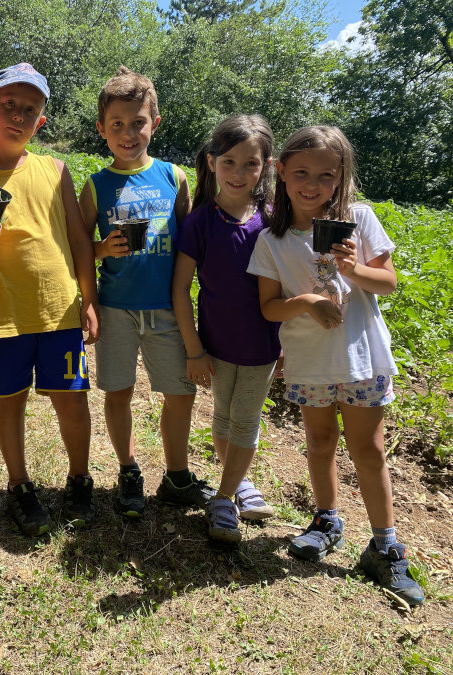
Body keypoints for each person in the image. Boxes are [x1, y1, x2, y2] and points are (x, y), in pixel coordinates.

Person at [247, 125, 424, 606]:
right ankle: (326, 520)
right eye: (302, 172)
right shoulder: (272, 240)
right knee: (320, 442)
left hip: (362, 358)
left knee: (369, 449)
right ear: (281, 172)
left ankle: (384, 546)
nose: (313, 184)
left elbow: (387, 282)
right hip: (310, 363)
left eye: (326, 175)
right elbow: (269, 308)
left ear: (341, 176)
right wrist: (306, 301)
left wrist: (352, 268)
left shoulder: (359, 220)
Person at [0, 63, 100, 536]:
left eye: (29, 110)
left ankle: (80, 479)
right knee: (10, 399)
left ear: (41, 120)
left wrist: (89, 299)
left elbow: (79, 239)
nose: (18, 116)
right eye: (9, 105)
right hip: (7, 314)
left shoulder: (55, 170)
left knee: (72, 400)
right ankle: (19, 485)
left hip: (60, 309)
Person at [78, 66, 210, 519]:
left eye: (138, 122)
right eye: (117, 124)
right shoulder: (96, 186)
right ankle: (128, 469)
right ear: (102, 129)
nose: (128, 133)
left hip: (168, 308)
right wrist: (101, 249)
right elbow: (79, 248)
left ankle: (177, 475)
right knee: (119, 391)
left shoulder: (174, 177)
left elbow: (190, 241)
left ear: (155, 122)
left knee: (180, 394)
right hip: (116, 308)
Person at [172, 115, 281, 544]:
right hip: (214, 346)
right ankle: (240, 483)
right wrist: (194, 349)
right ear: (211, 162)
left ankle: (223, 498)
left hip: (262, 346)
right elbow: (181, 290)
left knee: (245, 421)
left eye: (250, 164)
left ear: (266, 166)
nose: (238, 173)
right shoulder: (199, 222)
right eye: (229, 162)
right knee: (223, 416)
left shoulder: (274, 221)